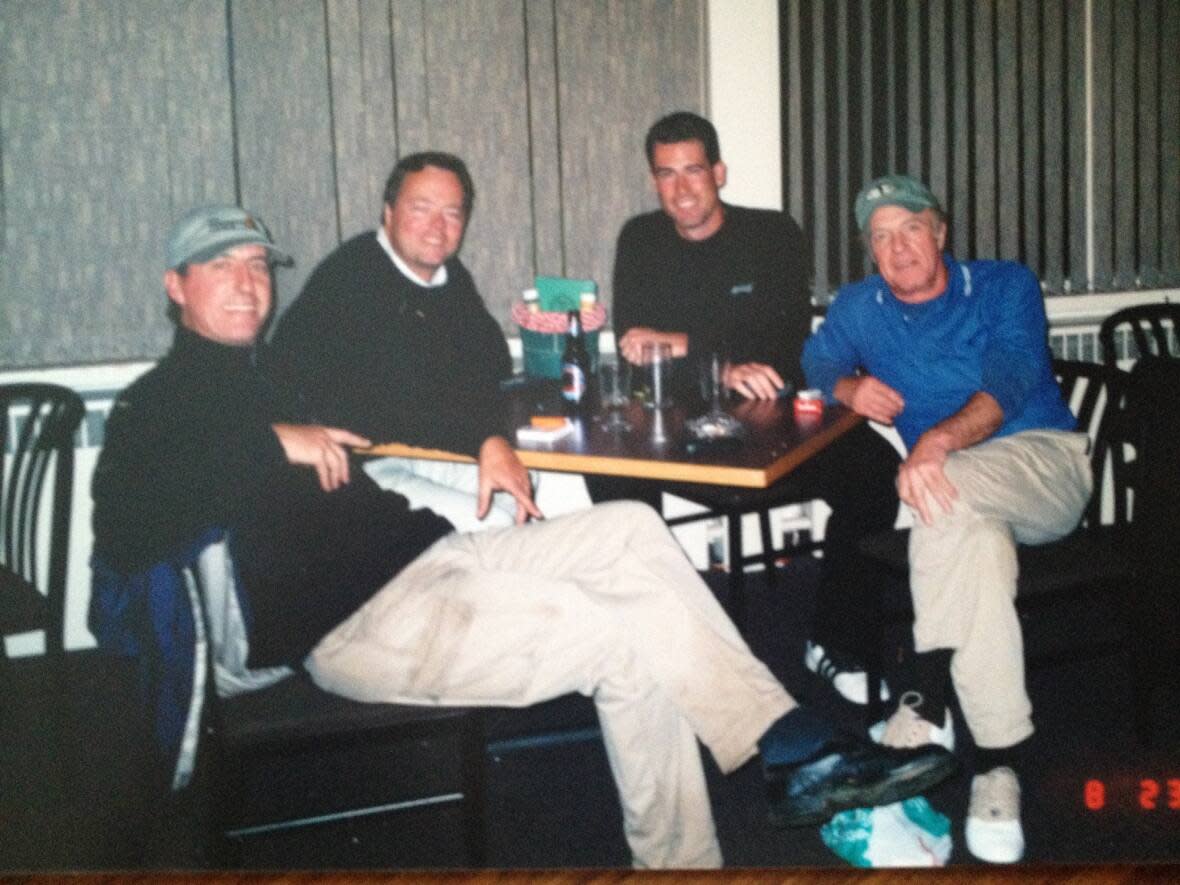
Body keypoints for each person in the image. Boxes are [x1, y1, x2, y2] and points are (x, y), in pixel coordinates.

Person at [90, 204, 956, 869]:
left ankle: (785, 743)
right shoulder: (157, 404)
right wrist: (275, 440)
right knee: (622, 638)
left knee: (629, 530)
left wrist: (478, 434)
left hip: (429, 554)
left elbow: (417, 386)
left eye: (255, 265)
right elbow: (129, 516)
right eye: (218, 267)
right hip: (358, 623)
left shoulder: (270, 373)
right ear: (176, 286)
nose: (246, 282)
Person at [801, 175, 1092, 864]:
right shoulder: (860, 304)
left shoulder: (1001, 285)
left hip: (1042, 463)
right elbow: (816, 357)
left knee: (937, 487)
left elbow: (1014, 377)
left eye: (910, 228)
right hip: (956, 498)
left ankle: (925, 700)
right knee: (970, 540)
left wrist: (932, 443)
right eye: (880, 237)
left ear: (940, 232)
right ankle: (998, 762)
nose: (897, 247)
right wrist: (846, 385)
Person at [600, 111, 902, 706]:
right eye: (666, 174)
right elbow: (635, 346)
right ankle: (664, 647)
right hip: (673, 418)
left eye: (694, 170)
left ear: (719, 172)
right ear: (653, 180)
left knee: (872, 473)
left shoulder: (771, 233)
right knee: (611, 481)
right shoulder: (639, 238)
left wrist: (685, 344)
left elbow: (783, 341)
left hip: (773, 418)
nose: (682, 188)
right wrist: (721, 356)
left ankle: (836, 640)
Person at [268, 152, 533, 531]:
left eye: (452, 214)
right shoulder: (353, 275)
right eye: (421, 209)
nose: (437, 227)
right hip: (352, 469)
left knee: (541, 485)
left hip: (419, 447)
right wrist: (485, 438)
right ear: (388, 213)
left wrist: (486, 437)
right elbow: (400, 401)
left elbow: (492, 362)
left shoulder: (449, 276)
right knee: (495, 520)